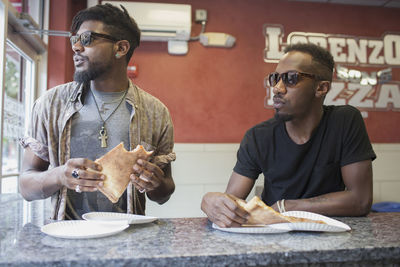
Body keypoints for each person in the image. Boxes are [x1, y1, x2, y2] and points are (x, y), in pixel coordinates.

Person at [19, 4, 176, 220]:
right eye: (75, 40)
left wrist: (155, 184)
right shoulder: (50, 104)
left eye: (86, 39)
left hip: (128, 241)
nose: (76, 47)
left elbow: (164, 194)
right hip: (66, 240)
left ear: (120, 48)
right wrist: (59, 176)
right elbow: (26, 187)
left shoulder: (156, 112)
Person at [201, 43, 376, 227]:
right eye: (275, 78)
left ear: (321, 88)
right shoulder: (258, 137)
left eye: (291, 78)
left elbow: (361, 200)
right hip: (274, 236)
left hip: (330, 235)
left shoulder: (345, 121)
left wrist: (286, 206)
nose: (277, 88)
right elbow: (232, 202)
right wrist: (210, 202)